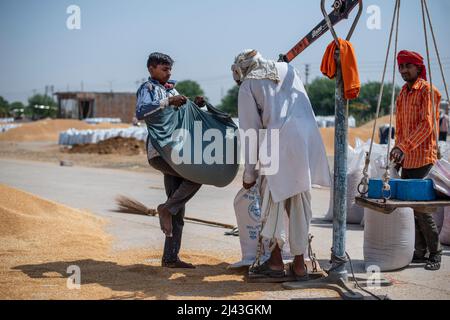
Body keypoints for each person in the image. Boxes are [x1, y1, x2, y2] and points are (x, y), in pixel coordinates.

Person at [232, 50, 330, 280]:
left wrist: (249, 174)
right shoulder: (289, 70)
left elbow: (250, 132)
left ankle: (275, 263)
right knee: (300, 201)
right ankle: (299, 265)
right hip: (306, 139)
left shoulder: (248, 85)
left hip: (276, 143)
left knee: (273, 202)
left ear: (240, 70)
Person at [136, 52, 205, 269]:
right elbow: (141, 112)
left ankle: (170, 258)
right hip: (160, 152)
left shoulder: (171, 89)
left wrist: (196, 104)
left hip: (176, 151)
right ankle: (165, 209)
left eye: (169, 69)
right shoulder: (147, 89)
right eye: (164, 69)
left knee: (177, 208)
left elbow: (183, 112)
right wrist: (168, 101)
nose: (168, 72)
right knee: (196, 177)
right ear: (151, 69)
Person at [390, 50, 442, 271]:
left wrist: (405, 146)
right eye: (401, 67)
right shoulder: (402, 93)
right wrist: (398, 151)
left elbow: (427, 125)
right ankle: (419, 252)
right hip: (407, 159)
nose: (403, 70)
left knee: (422, 209)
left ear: (418, 68)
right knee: (410, 208)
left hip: (423, 158)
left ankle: (436, 253)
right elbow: (401, 127)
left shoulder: (427, 91)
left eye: (408, 66)